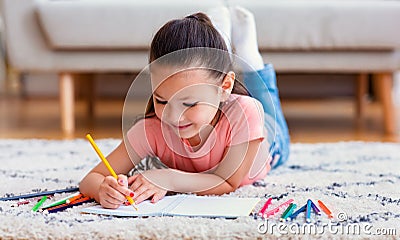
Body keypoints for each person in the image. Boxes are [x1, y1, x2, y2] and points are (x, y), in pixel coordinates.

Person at [79, 6, 290, 209]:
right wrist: (103, 189)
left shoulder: (246, 113)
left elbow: (227, 182)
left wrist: (168, 179)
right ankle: (220, 38)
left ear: (225, 87)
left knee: (266, 102)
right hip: (223, 98)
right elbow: (91, 179)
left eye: (189, 103)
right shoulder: (151, 129)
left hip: (269, 144)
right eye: (161, 100)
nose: (173, 116)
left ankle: (249, 55)